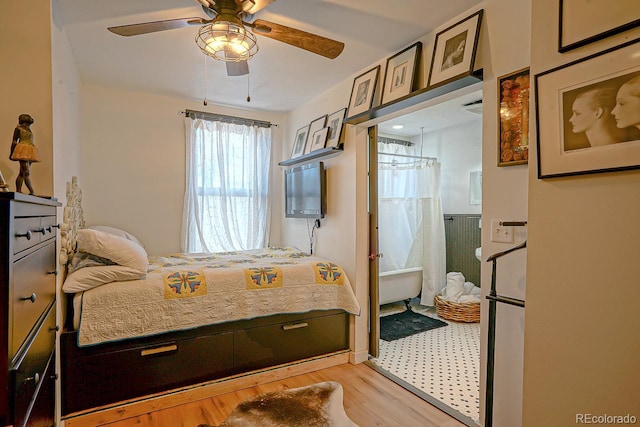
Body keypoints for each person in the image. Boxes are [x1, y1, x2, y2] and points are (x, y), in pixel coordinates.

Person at [9, 114, 40, 195]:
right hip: (23, 149)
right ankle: (31, 190)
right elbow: (14, 141)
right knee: (26, 172)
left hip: (30, 149)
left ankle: (18, 190)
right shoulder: (18, 129)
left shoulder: (28, 129)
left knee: (22, 172)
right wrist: (11, 152)